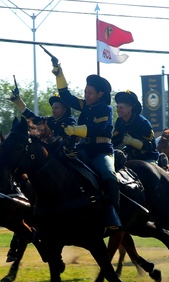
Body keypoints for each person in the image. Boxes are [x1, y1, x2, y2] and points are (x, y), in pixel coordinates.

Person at [51, 62, 120, 229]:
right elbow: (66, 96)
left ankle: (113, 213)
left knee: (109, 175)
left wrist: (74, 129)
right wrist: (59, 74)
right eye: (85, 92)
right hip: (83, 150)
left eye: (90, 93)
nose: (86, 95)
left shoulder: (106, 109)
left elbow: (98, 129)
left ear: (100, 94)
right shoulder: (85, 105)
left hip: (101, 152)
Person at [112, 90, 159, 163]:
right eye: (117, 107)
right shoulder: (119, 121)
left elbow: (152, 146)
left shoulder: (143, 123)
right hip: (129, 158)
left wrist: (133, 142)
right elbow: (115, 140)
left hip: (147, 158)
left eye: (121, 107)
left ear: (130, 108)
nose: (118, 110)